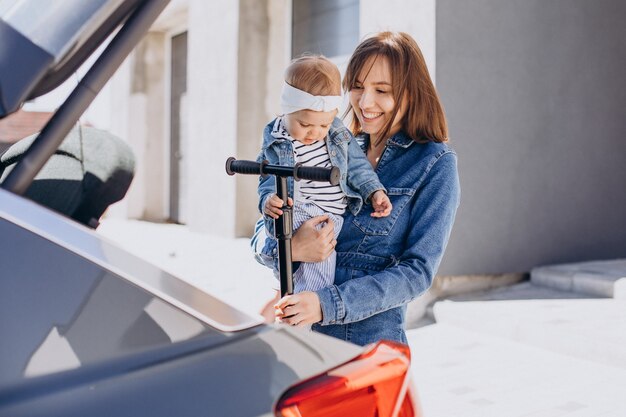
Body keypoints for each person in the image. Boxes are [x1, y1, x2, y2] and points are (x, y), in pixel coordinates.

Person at [255, 31, 460, 346]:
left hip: (363, 347)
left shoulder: (434, 163)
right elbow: (261, 234)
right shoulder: (327, 144)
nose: (366, 102)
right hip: (294, 338)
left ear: (410, 93)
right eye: (358, 87)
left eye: (382, 90)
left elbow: (417, 272)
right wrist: (292, 248)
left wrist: (326, 304)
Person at [257, 55, 392, 305]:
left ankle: (294, 304)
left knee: (319, 269)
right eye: (305, 123)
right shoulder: (277, 138)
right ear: (286, 110)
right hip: (297, 208)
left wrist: (374, 191)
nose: (315, 133)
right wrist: (268, 200)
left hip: (331, 217)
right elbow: (267, 175)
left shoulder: (337, 133)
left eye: (323, 124)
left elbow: (357, 166)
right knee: (312, 273)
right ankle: (299, 314)